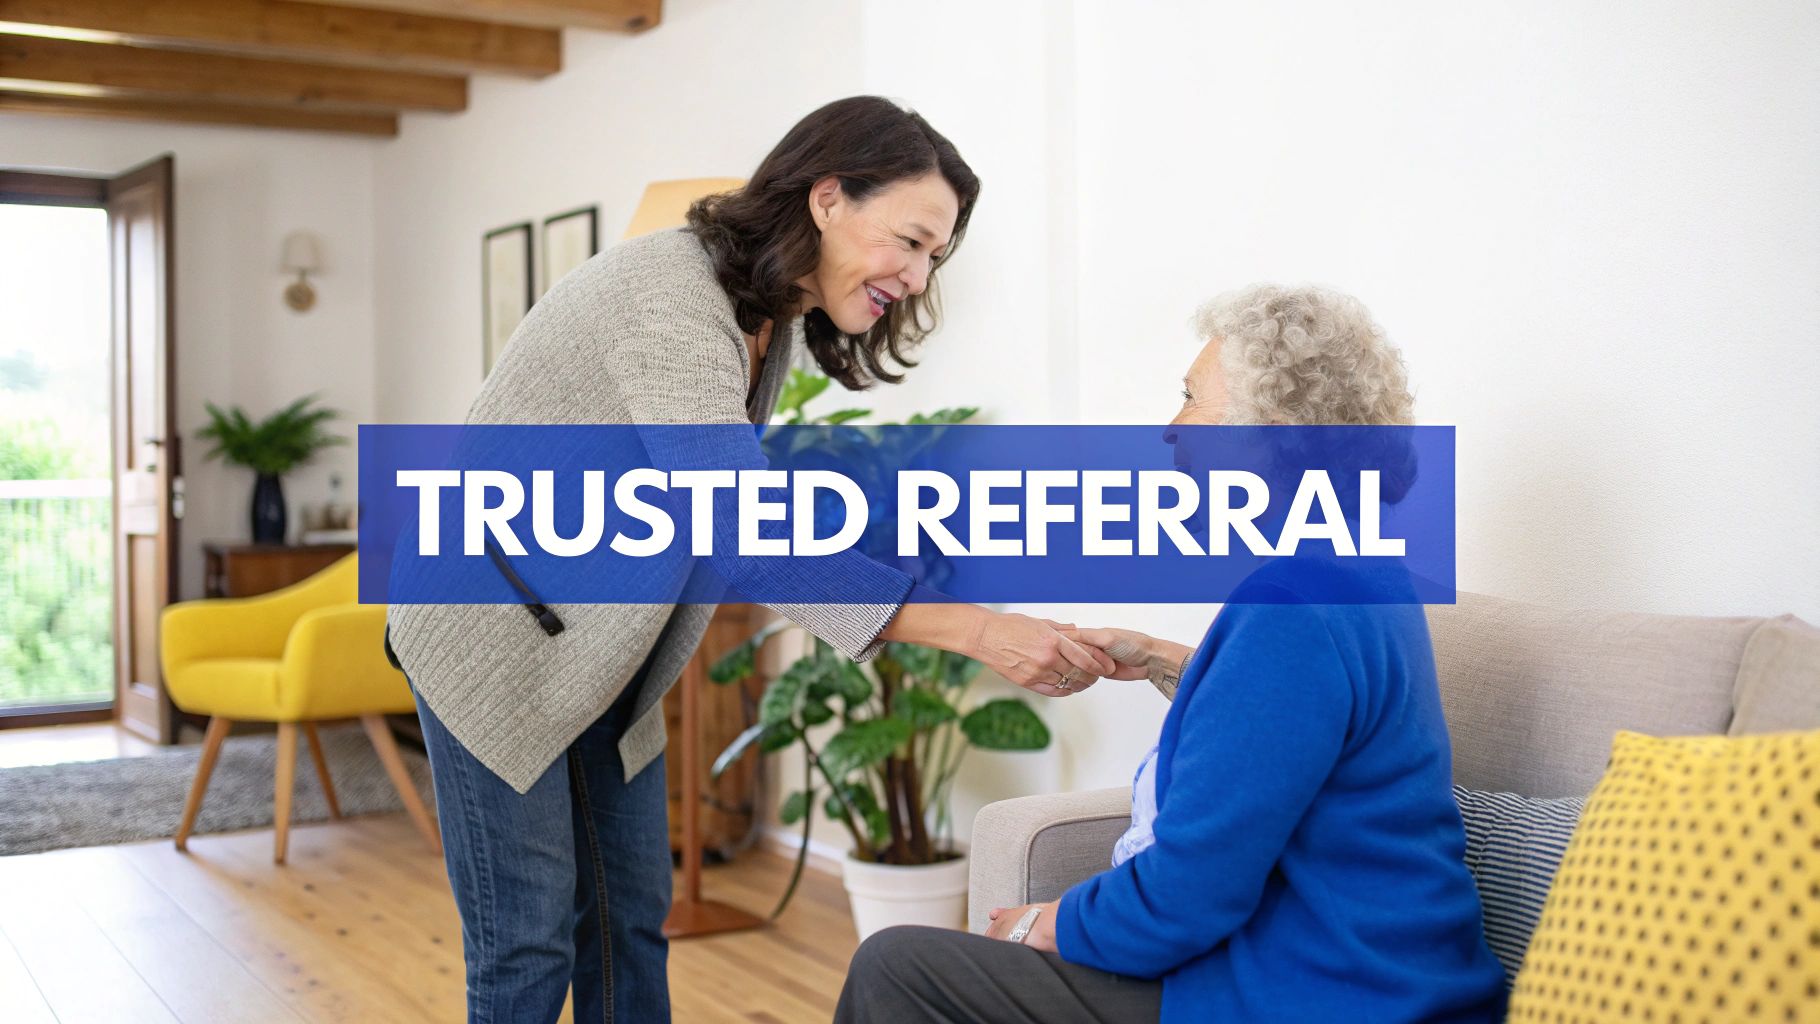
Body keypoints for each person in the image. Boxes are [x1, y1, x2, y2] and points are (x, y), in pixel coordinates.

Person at [384, 96, 1115, 1023]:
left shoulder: (760, 317)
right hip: (486, 634)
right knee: (526, 947)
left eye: (936, 256)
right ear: (827, 199)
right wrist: (974, 628)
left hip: (593, 646)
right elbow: (741, 525)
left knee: (627, 922)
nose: (919, 274)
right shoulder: (669, 295)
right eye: (912, 239)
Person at [835, 285, 1509, 1023]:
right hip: (1373, 978)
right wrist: (1163, 659)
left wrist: (1044, 921)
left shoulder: (1292, 608)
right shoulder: (1359, 569)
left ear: (1265, 433)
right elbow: (1292, 723)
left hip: (1326, 994)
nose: (1170, 429)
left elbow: (1192, 893)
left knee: (896, 965)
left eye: (1191, 400)